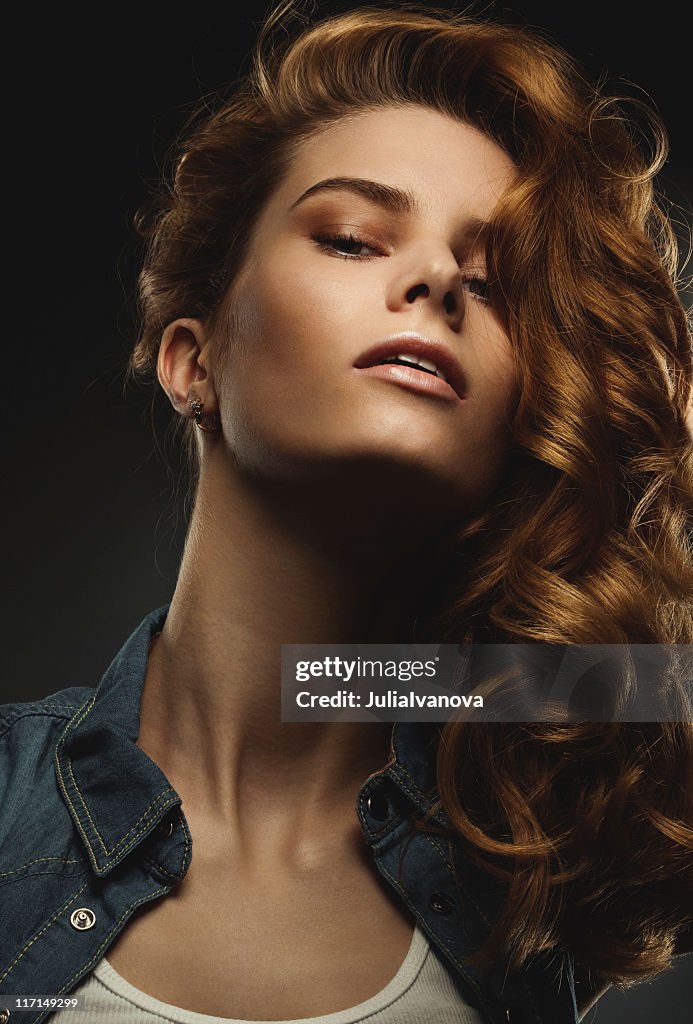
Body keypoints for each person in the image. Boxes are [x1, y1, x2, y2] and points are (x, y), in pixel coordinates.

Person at [1, 2, 692, 1022]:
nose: (438, 278)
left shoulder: (535, 858)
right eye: (355, 238)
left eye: (494, 283)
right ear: (195, 360)